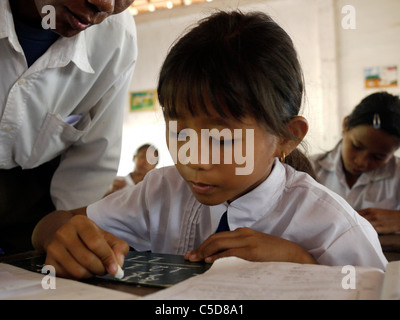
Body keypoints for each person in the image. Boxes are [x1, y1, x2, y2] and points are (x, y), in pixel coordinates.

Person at [32, 11, 387, 279]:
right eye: (179, 131)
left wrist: (303, 265)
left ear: (286, 136)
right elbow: (55, 224)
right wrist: (54, 234)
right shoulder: (160, 192)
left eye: (221, 139)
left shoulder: (333, 227)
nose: (193, 159)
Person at [0, 0, 137, 255]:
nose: (105, 5)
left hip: (38, 200)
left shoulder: (116, 39)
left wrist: (69, 231)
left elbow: (92, 157)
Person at [311, 92, 400, 234]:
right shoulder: (309, 168)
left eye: (378, 157)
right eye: (356, 146)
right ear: (345, 125)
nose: (361, 162)